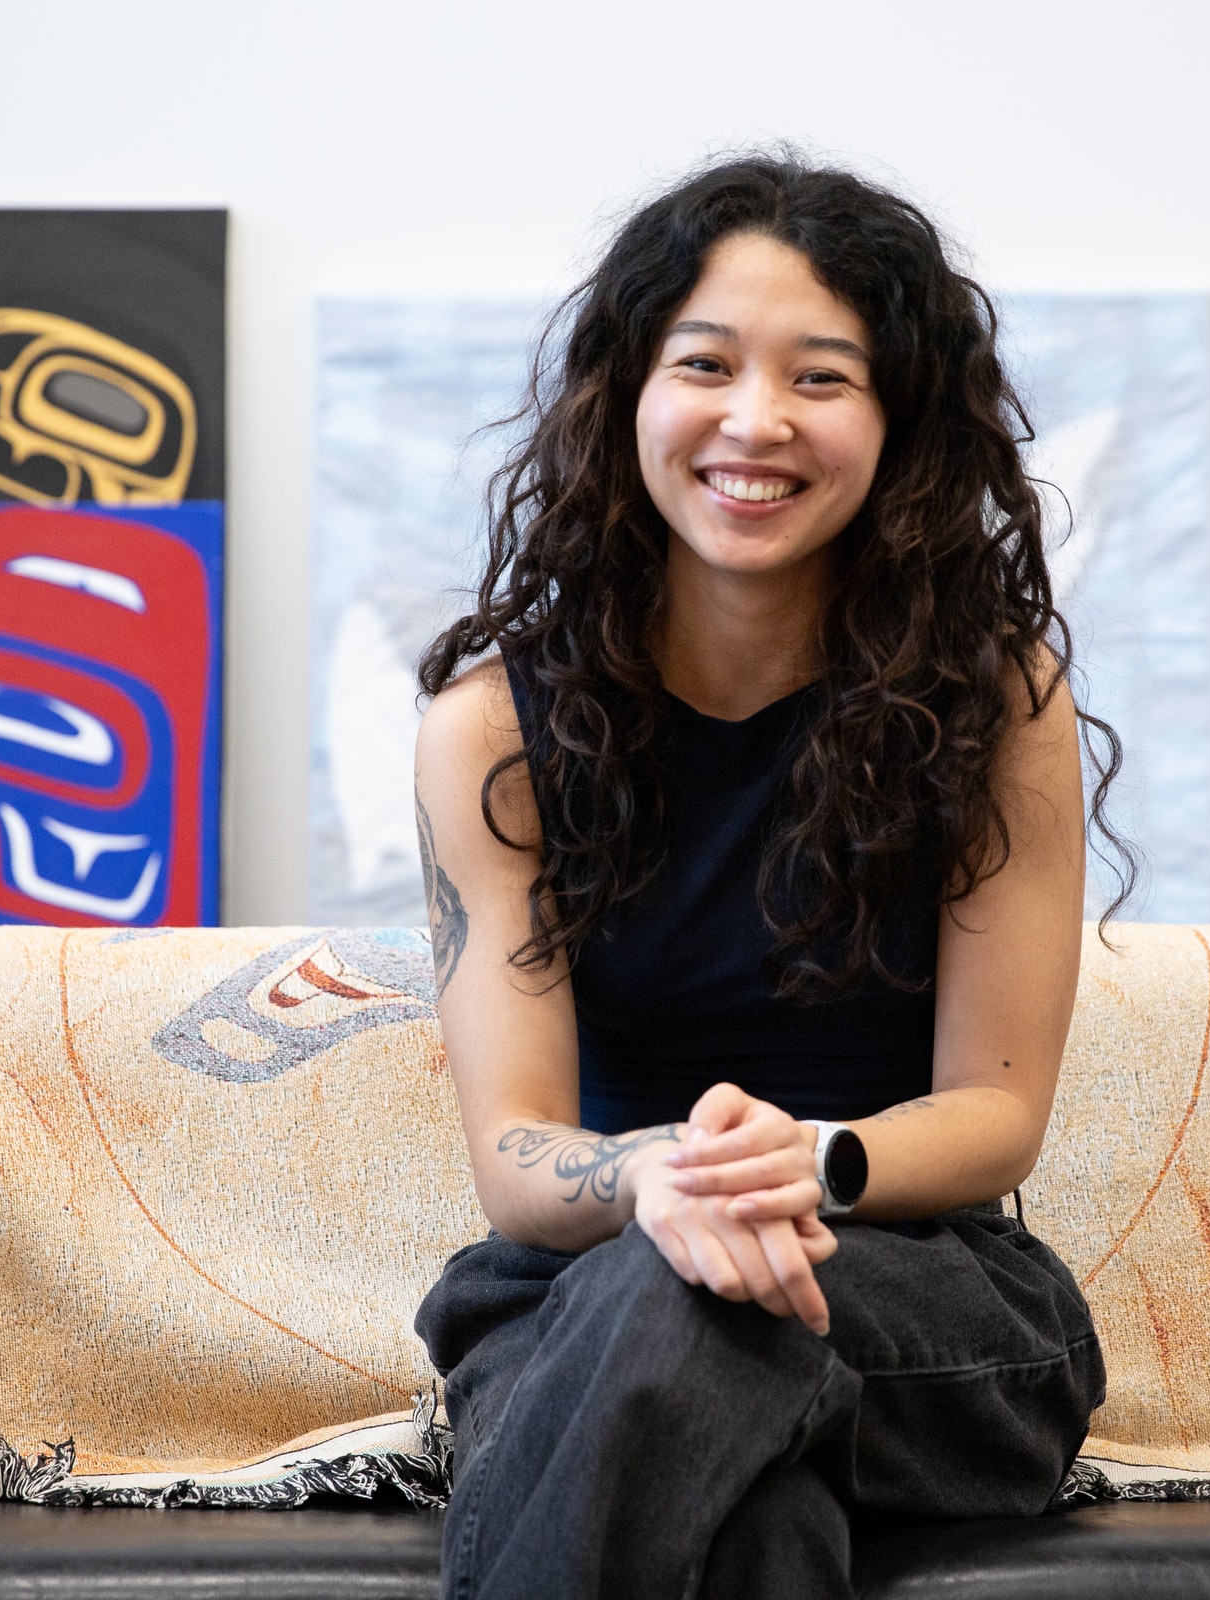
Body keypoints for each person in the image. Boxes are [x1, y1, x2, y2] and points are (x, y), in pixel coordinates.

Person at [405, 157, 1116, 1600]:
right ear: (627, 394)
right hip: (572, 1299)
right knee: (747, 1507)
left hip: (924, 1308)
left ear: (899, 422)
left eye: (822, 378)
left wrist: (807, 1165)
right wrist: (661, 1177)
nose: (755, 421)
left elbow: (995, 1115)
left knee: (692, 1306)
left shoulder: (994, 704)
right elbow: (518, 1153)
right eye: (706, 364)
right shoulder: (496, 732)